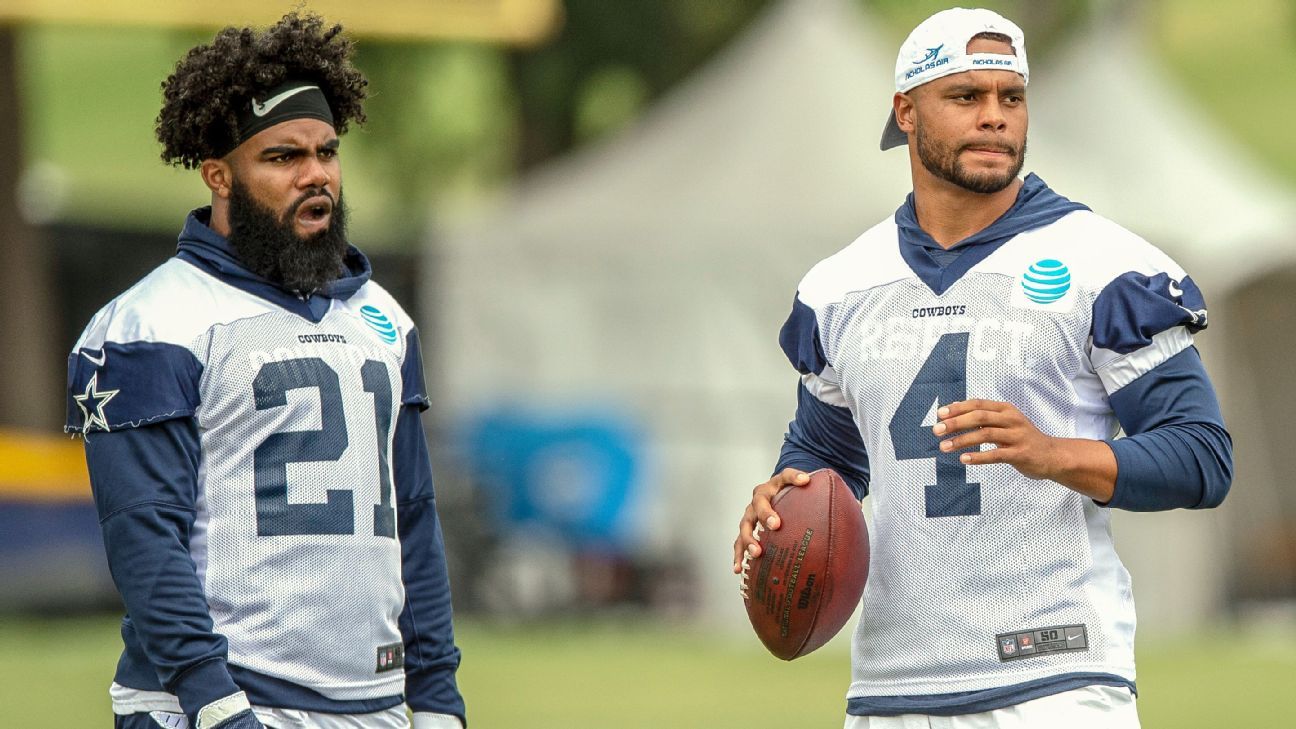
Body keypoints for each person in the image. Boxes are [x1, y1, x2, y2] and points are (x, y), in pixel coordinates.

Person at [732, 8, 1232, 728]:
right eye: (966, 96)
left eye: (1011, 97)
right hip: (893, 687)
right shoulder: (840, 287)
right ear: (907, 112)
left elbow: (1202, 456)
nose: (995, 116)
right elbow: (825, 461)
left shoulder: (1105, 264)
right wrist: (780, 504)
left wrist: (1051, 453)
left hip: (1055, 676)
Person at [65, 12, 465, 729]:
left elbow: (414, 518)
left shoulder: (383, 318)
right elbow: (145, 538)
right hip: (210, 704)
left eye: (326, 151)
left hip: (370, 705)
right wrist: (215, 703)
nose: (315, 174)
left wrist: (436, 697)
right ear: (218, 175)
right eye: (282, 157)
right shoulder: (151, 325)